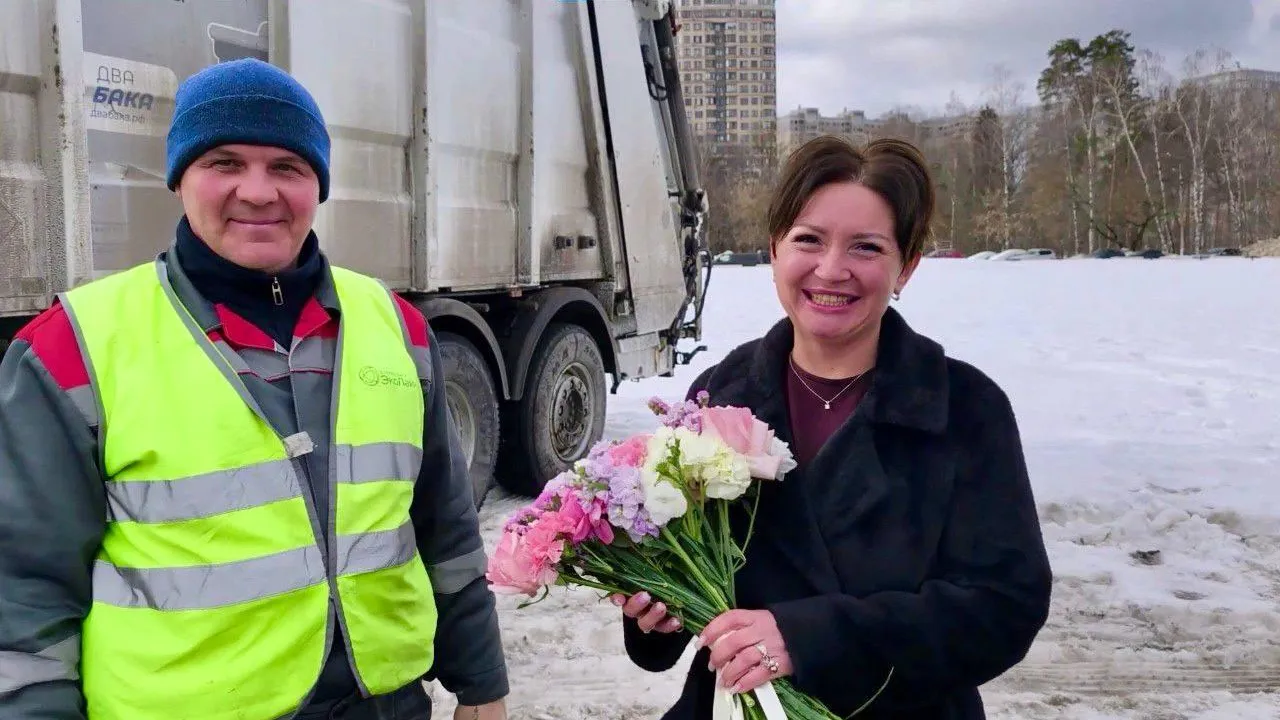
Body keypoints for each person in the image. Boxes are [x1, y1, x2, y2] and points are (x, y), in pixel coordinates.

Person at [0, 59, 508, 720]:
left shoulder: (395, 328)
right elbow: (25, 588)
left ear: (318, 185)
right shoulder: (73, 348)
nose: (259, 192)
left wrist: (482, 682)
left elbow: (445, 530)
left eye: (287, 168)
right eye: (225, 162)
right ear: (180, 178)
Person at [613, 135, 1053, 719]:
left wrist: (809, 636)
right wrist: (658, 610)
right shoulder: (721, 393)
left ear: (907, 266)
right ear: (775, 250)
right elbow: (689, 592)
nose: (831, 269)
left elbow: (1003, 607)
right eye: (808, 240)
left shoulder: (964, 409)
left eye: (866, 247)